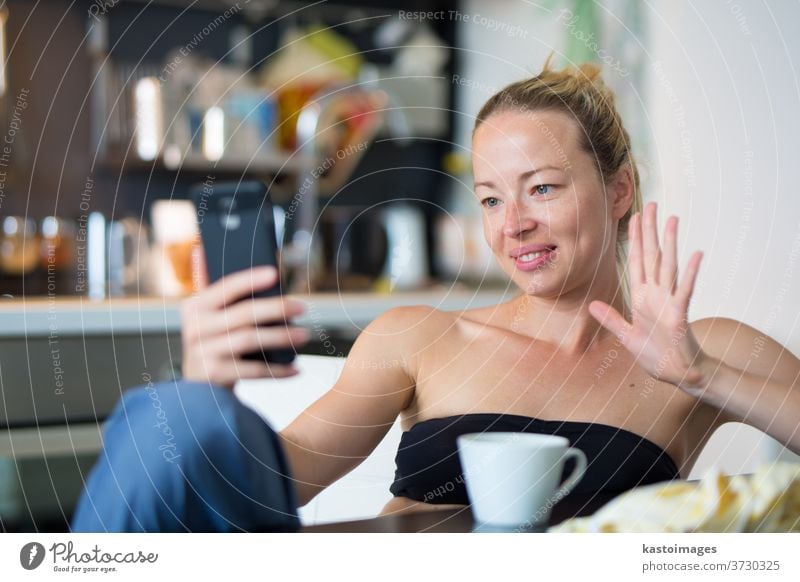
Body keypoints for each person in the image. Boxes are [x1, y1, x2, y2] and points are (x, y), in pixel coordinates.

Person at [71, 62, 800, 532]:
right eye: (489, 199)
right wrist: (209, 398)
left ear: (617, 190)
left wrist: (704, 377)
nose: (512, 225)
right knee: (176, 415)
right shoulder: (420, 339)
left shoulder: (702, 352)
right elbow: (268, 488)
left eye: (541, 188)